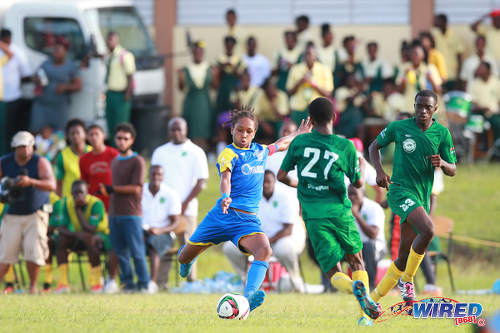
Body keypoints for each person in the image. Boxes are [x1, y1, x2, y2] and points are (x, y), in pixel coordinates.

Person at [178, 108, 312, 313]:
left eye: (248, 131)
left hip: (247, 221)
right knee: (184, 256)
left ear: (254, 133)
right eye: (239, 130)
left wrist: (297, 135)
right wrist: (225, 197)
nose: (243, 135)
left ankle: (248, 297)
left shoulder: (260, 151)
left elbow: (281, 144)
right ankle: (187, 258)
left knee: (264, 250)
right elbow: (225, 179)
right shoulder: (228, 153)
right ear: (232, 130)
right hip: (222, 216)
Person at [277, 97, 381, 326]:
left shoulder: (299, 143)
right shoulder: (346, 147)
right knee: (357, 261)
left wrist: (301, 184)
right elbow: (359, 184)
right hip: (340, 212)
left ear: (311, 120)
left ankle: (353, 288)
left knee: (333, 271)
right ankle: (365, 316)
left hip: (314, 216)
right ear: (334, 118)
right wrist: (362, 168)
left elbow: (281, 176)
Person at [368, 90, 456, 305]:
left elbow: (453, 169)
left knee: (403, 256)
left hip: (422, 196)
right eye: (419, 106)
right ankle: (408, 281)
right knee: (429, 230)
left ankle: (372, 300)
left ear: (435, 110)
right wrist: (379, 171)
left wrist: (443, 164)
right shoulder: (399, 127)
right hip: (399, 191)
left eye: (428, 107)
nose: (423, 111)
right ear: (414, 105)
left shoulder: (442, 134)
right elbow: (373, 146)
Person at [223, 170, 305, 292]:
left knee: (284, 248)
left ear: (274, 182)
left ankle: (296, 282)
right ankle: (246, 281)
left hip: (285, 239)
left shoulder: (286, 196)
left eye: (268, 182)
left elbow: (288, 229)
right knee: (230, 247)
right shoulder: (251, 195)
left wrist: (266, 242)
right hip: (260, 240)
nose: (265, 185)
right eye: (262, 182)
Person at [151, 117, 208, 282]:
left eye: (179, 129)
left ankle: (191, 282)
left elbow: (201, 182)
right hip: (164, 210)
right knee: (163, 244)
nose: (176, 133)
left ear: (186, 130)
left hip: (187, 208)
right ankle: (160, 282)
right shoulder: (160, 152)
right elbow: (155, 180)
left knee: (190, 246)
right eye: (172, 129)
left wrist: (184, 203)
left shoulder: (196, 151)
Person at [0, 131, 56, 294]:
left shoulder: (40, 162)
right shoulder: (5, 162)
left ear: (33, 146)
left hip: (35, 212)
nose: (24, 150)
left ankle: (32, 287)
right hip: (13, 212)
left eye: (27, 146)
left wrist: (31, 182)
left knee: (34, 251)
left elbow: (51, 185)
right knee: (5, 254)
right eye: (20, 147)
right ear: (14, 148)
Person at [101, 123, 153, 293]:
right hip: (114, 213)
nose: (121, 141)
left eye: (125, 138)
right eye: (119, 138)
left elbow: (137, 188)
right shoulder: (114, 161)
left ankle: (144, 284)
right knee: (119, 251)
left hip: (131, 214)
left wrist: (113, 190)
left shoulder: (137, 160)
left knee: (137, 251)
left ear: (132, 140)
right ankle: (128, 284)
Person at [79, 123, 119, 293]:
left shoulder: (113, 154)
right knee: (92, 242)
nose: (94, 137)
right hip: (95, 211)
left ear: (103, 135)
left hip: (114, 208)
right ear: (87, 138)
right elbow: (84, 185)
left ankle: (112, 280)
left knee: (115, 244)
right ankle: (97, 281)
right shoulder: (85, 159)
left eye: (97, 133)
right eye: (91, 134)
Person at [53, 180, 110, 293]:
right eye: (75, 193)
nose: (78, 196)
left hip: (101, 236)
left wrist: (78, 211)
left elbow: (91, 229)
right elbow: (61, 227)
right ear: (71, 193)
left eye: (81, 192)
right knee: (61, 240)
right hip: (80, 235)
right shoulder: (67, 203)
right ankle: (63, 284)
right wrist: (76, 234)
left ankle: (96, 283)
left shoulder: (96, 203)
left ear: (87, 192)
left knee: (91, 239)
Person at [142, 165, 181, 289]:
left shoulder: (170, 194)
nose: (155, 177)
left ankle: (152, 284)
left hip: (165, 234)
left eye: (159, 175)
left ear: (163, 177)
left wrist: (159, 230)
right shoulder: (141, 191)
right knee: (131, 243)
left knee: (153, 244)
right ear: (148, 175)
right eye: (153, 174)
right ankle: (133, 282)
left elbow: (175, 222)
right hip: (142, 231)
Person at [30, 36, 81, 133]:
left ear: (65, 51)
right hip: (42, 105)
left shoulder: (70, 66)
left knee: (59, 134)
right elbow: (35, 76)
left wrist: (65, 87)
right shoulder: (46, 63)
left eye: (58, 50)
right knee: (36, 131)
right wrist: (37, 80)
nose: (55, 53)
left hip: (59, 107)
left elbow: (78, 85)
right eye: (54, 50)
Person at [178, 40, 215, 151]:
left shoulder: (209, 68)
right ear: (192, 53)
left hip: (204, 100)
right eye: (196, 52)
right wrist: (180, 77)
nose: (198, 54)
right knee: (192, 126)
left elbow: (214, 86)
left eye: (200, 52)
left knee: (204, 125)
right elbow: (180, 88)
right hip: (191, 101)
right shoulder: (186, 69)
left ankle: (205, 150)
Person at [348, 185, 386, 289]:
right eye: (349, 194)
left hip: (376, 246)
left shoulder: (373, 208)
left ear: (363, 194)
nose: (351, 197)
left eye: (354, 194)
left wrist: (356, 215)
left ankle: (371, 285)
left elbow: (373, 234)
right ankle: (332, 286)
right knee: (333, 247)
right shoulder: (345, 208)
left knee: (369, 246)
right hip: (354, 245)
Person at [287, 44, 333, 126]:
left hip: (317, 110)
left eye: (310, 54)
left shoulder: (325, 70)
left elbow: (328, 93)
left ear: (316, 56)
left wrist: (313, 84)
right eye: (306, 54)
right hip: (298, 109)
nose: (308, 56)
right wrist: (299, 82)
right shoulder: (295, 69)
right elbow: (290, 91)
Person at [1, 28, 32, 145]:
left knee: (11, 129)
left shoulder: (16, 52)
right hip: (2, 99)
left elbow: (26, 73)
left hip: (13, 97)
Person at [104, 31, 135, 139]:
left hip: (121, 95)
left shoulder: (124, 55)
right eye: (107, 39)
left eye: (111, 39)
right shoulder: (109, 56)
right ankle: (113, 151)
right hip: (110, 93)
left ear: (117, 40)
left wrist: (128, 93)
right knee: (111, 125)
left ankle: (122, 152)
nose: (109, 42)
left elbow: (130, 75)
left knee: (121, 126)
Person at [396, 44, 442, 112]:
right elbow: (399, 91)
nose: (414, 56)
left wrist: (431, 79)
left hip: (426, 104)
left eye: (416, 54)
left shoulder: (430, 68)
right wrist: (403, 81)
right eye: (412, 54)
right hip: (409, 104)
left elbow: (439, 91)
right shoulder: (405, 68)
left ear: (423, 55)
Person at [54, 119, 92, 198]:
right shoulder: (62, 156)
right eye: (72, 133)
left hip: (90, 200)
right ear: (68, 136)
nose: (75, 136)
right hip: (70, 201)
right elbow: (59, 183)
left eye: (78, 132)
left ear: (85, 134)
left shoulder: (92, 152)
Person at [467, 61, 500, 142]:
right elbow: (473, 102)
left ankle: (496, 146)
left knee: (498, 123)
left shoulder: (496, 82)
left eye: (481, 68)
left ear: (487, 71)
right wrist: (482, 108)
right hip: (480, 112)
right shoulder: (474, 83)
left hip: (494, 113)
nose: (478, 70)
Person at [215, 36, 246, 114]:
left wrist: (233, 67)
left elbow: (241, 76)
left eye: (231, 45)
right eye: (227, 45)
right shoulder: (219, 58)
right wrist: (223, 66)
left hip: (234, 88)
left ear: (233, 46)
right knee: (221, 110)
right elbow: (215, 74)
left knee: (233, 109)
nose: (229, 47)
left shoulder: (238, 59)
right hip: (222, 89)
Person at [432, 14, 464, 89]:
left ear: (444, 22)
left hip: (452, 75)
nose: (436, 23)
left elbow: (459, 56)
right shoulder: (434, 36)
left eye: (438, 21)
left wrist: (458, 75)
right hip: (439, 76)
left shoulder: (454, 36)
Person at [254, 78, 289, 142]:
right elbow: (254, 114)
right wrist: (264, 124)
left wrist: (274, 106)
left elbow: (282, 116)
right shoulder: (260, 95)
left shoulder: (282, 95)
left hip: (277, 121)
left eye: (273, 88)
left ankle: (279, 146)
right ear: (265, 90)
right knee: (253, 125)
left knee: (281, 126)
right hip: (264, 121)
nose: (272, 90)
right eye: (269, 89)